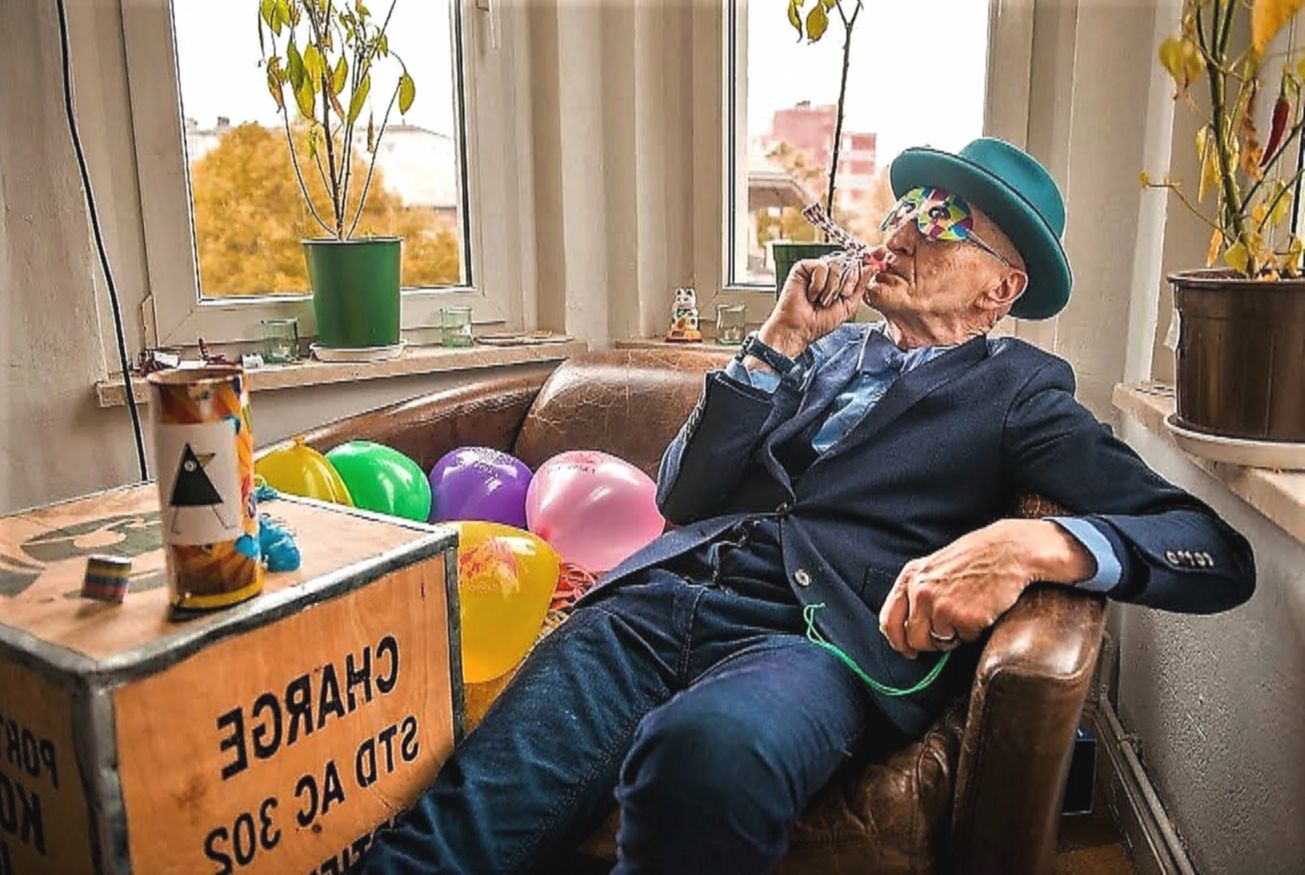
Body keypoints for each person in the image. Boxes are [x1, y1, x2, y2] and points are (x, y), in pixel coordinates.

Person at [359, 138, 1255, 874]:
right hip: (652, 604)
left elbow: (1210, 546)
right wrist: (777, 339)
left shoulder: (1019, 388)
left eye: (943, 221)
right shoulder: (821, 353)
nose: (903, 228)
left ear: (1000, 289)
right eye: (906, 207)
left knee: (708, 757)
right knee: (460, 824)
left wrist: (1033, 544)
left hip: (815, 639)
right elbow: (680, 494)